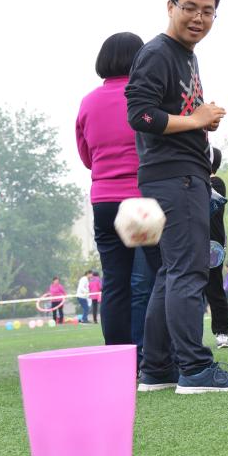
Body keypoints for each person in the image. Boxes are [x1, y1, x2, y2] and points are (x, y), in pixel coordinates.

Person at [125, 0, 228, 393]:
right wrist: (195, 119)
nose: (198, 17)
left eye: (207, 11)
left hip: (178, 174)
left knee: (171, 273)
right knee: (188, 271)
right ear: (170, 7)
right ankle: (195, 369)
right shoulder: (157, 53)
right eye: (190, 8)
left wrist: (199, 121)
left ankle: (157, 369)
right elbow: (139, 114)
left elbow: (168, 112)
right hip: (174, 177)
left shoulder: (185, 55)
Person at [77, 31, 161, 346]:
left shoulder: (88, 102)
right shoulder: (145, 97)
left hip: (104, 201)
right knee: (160, 278)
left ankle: (117, 356)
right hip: (142, 199)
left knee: (115, 283)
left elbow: (86, 157)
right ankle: (157, 354)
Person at [204, 147, 228, 349]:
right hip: (195, 241)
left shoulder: (216, 183)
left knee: (214, 287)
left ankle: (222, 331)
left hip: (212, 245)